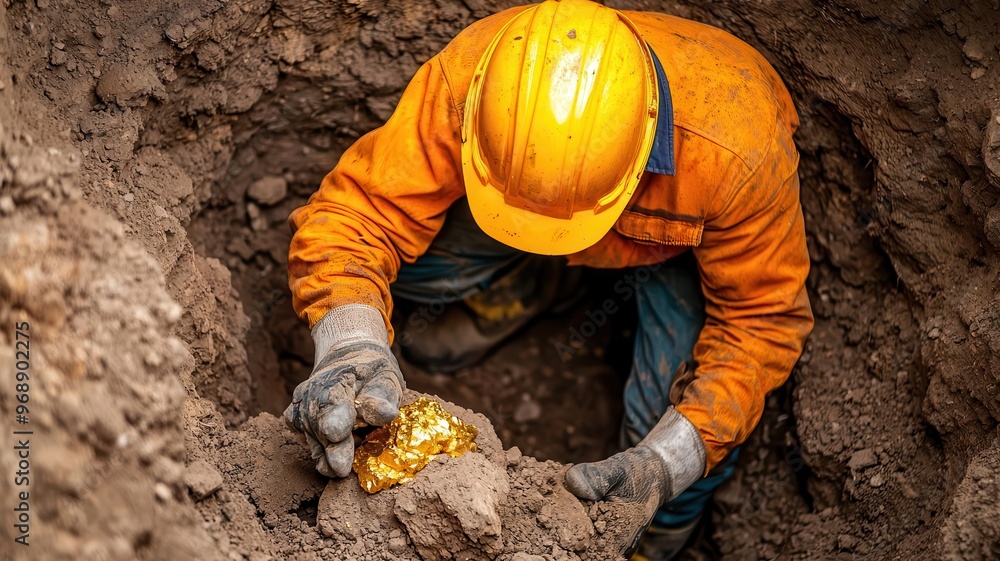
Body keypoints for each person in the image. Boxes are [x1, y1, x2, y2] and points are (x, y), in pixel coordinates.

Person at [282, 1, 813, 558]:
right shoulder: (479, 76)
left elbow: (762, 321)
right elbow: (358, 215)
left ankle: (646, 540)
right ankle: (530, 287)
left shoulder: (736, 149)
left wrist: (666, 463)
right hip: (511, 209)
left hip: (675, 258)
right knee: (401, 272)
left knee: (669, 421)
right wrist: (350, 343)